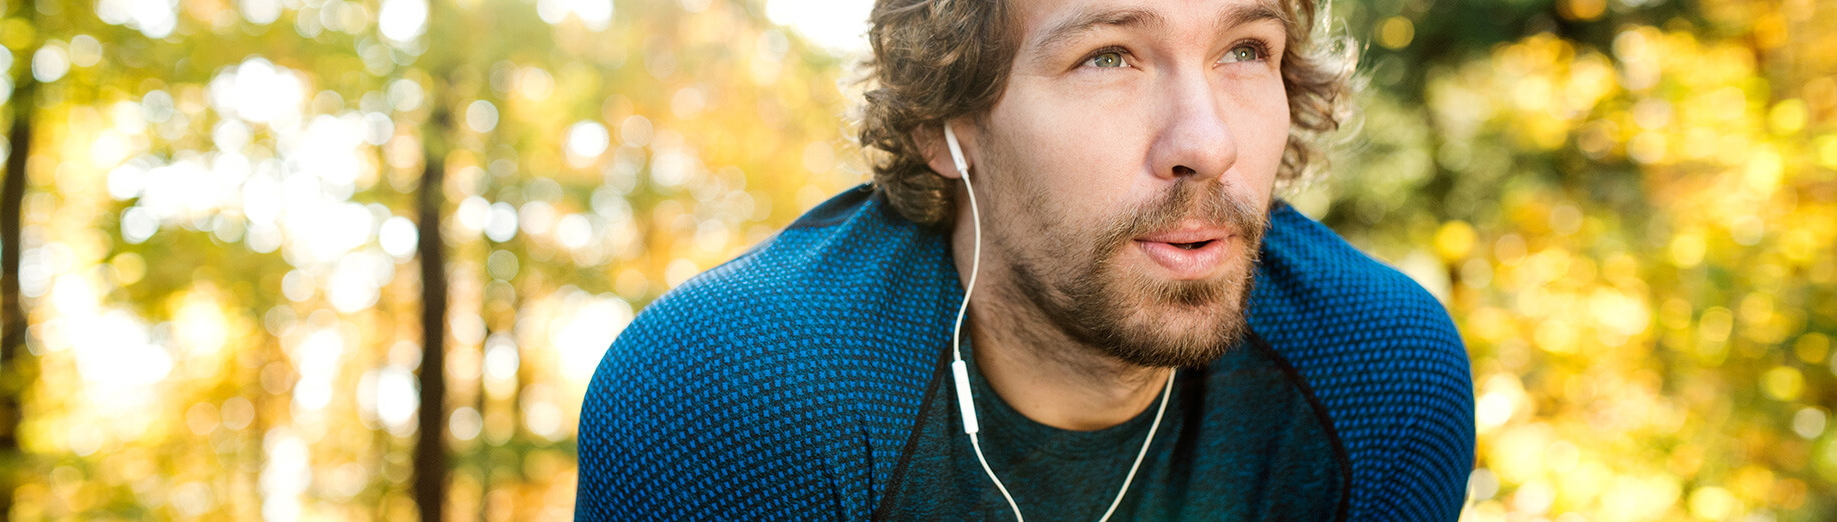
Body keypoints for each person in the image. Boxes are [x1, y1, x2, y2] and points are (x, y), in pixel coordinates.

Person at [577, 0, 1474, 519]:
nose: (1208, 142)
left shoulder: (1381, 373)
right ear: (948, 124)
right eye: (1109, 56)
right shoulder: (736, 392)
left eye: (1246, 50)